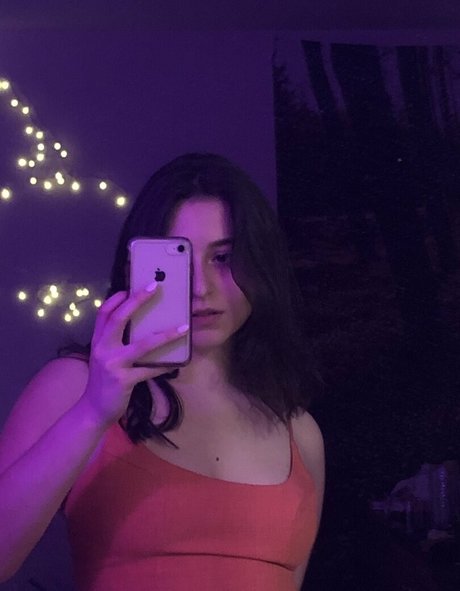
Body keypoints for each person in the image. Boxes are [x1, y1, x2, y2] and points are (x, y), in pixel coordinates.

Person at [0, 153, 325, 590]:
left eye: (224, 257)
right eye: (178, 260)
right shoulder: (77, 386)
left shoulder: (298, 432)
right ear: (136, 269)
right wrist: (93, 412)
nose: (200, 287)